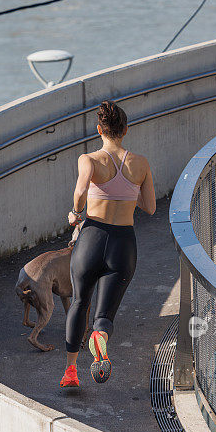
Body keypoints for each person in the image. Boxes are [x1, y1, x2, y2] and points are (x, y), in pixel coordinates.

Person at [60, 100, 156, 388]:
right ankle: (99, 337)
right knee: (103, 318)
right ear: (125, 130)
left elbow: (80, 193)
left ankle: (71, 372)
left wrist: (76, 215)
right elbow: (150, 207)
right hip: (123, 244)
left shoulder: (89, 159)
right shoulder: (140, 163)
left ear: (99, 129)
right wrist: (129, 190)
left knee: (79, 302)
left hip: (92, 238)